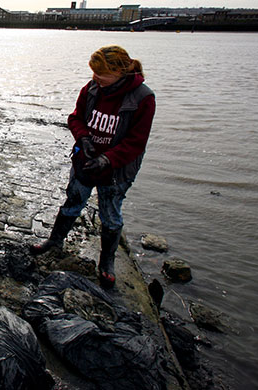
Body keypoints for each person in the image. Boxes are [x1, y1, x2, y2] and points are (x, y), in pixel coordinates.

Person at [29, 45, 156, 289]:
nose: (95, 78)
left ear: (119, 72)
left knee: (110, 213)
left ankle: (106, 262)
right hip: (85, 162)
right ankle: (55, 241)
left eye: (101, 74)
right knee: (73, 201)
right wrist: (84, 138)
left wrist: (107, 159)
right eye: (94, 73)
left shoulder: (143, 98)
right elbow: (75, 118)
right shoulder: (92, 89)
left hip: (116, 171)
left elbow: (137, 142)